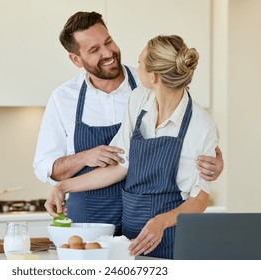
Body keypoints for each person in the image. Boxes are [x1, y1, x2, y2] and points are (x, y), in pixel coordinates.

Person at [34, 11, 223, 235]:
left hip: (148, 224)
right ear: (76, 59)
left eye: (108, 41)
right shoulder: (65, 98)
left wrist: (208, 167)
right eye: (94, 49)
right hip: (90, 218)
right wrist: (76, 167)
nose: (108, 53)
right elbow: (47, 165)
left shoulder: (147, 89)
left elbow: (196, 181)